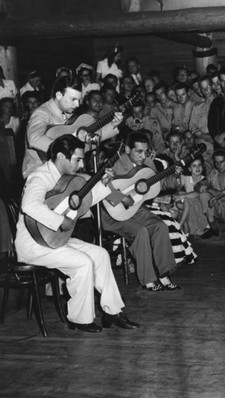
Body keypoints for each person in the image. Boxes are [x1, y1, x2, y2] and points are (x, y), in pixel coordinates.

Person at [15, 134, 139, 332]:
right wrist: (59, 221)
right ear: (61, 157)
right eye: (77, 159)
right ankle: (79, 319)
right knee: (83, 263)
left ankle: (113, 311)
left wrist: (105, 184)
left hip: (54, 239)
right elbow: (29, 205)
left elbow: (84, 201)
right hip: (34, 243)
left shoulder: (67, 179)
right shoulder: (40, 177)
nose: (81, 165)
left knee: (100, 254)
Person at [101, 131, 182, 291]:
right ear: (127, 150)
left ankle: (164, 274)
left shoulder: (148, 163)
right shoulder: (114, 164)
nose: (143, 156)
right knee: (141, 232)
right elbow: (101, 191)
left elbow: (163, 184)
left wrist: (176, 175)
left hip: (136, 208)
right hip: (112, 213)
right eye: (138, 151)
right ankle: (148, 280)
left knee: (160, 226)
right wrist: (122, 198)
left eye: (145, 151)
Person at [22, 76, 123, 179]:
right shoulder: (42, 113)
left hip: (64, 171)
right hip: (40, 172)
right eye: (73, 99)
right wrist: (69, 151)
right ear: (59, 95)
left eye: (79, 100)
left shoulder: (69, 112)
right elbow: (34, 139)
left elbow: (89, 139)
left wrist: (113, 125)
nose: (77, 104)